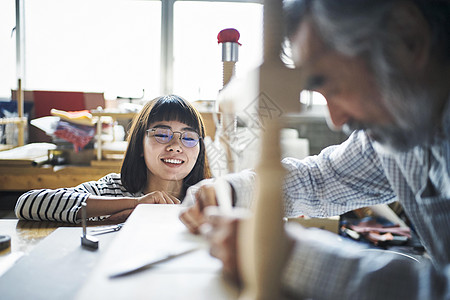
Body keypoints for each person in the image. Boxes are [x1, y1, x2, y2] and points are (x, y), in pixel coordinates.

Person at [179, 0, 450, 299]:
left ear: (407, 37)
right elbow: (321, 179)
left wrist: (292, 257)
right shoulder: (403, 127)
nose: (336, 120)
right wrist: (231, 190)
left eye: (332, 86)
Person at [15, 94, 211, 223]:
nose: (175, 146)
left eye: (188, 138)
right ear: (139, 145)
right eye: (162, 134)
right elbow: (27, 204)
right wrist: (135, 205)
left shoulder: (207, 198)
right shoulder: (112, 189)